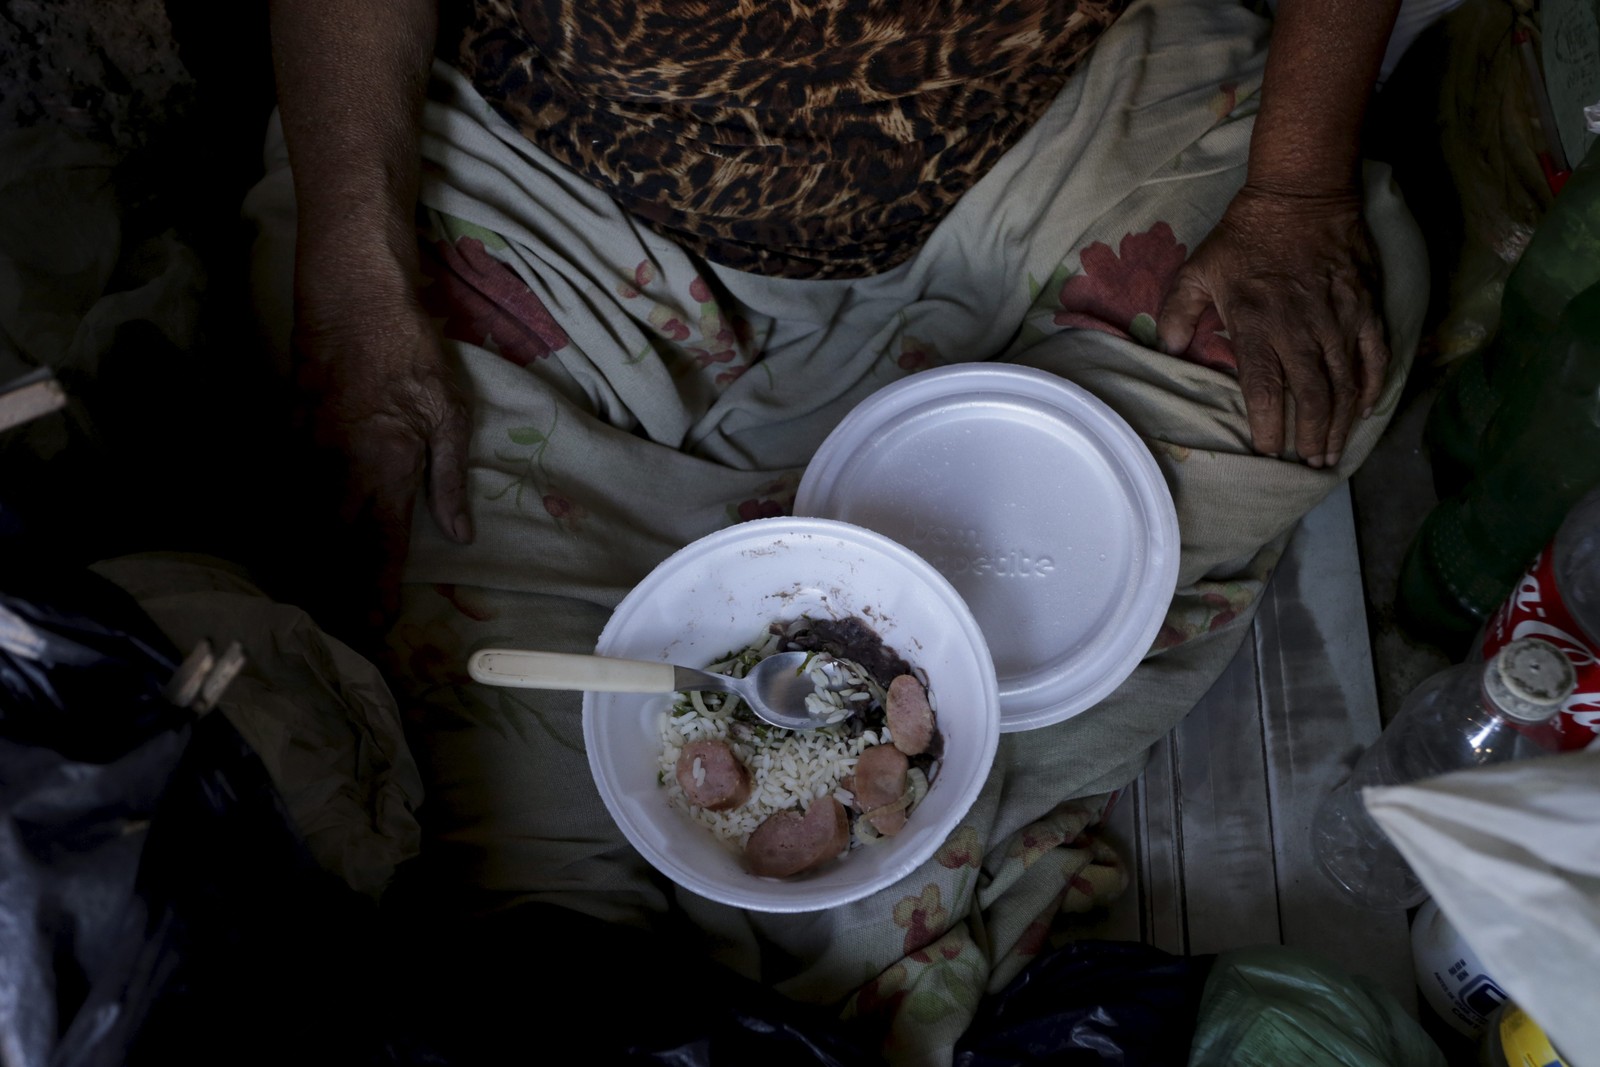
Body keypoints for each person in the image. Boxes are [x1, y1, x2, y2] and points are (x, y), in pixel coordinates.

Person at [248, 0, 1426, 1061]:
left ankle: (852, 754)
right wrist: (355, 270)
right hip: (565, 191)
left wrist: (1294, 193)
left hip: (1038, 131)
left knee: (1313, 322)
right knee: (503, 859)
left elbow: (1299, 216)